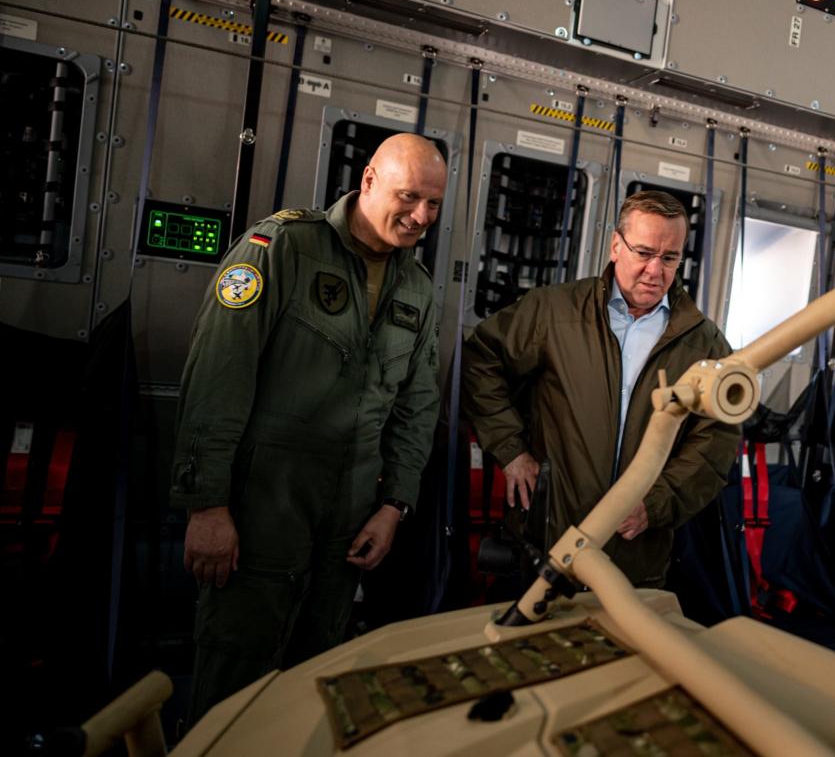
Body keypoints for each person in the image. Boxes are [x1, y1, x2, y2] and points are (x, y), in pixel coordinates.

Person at [170, 133, 445, 721]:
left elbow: (416, 408)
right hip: (261, 512)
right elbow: (218, 377)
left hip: (347, 526)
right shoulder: (282, 247)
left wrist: (394, 505)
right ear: (368, 180)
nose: (422, 215)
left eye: (434, 204)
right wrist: (205, 505)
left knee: (313, 684)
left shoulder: (417, 288)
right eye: (410, 196)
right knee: (233, 682)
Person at [462, 190, 739, 587]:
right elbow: (481, 360)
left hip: (635, 559)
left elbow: (716, 441)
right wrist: (510, 450)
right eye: (643, 252)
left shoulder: (704, 343)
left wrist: (657, 502)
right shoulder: (553, 312)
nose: (655, 271)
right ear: (615, 246)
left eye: (669, 258)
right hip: (548, 541)